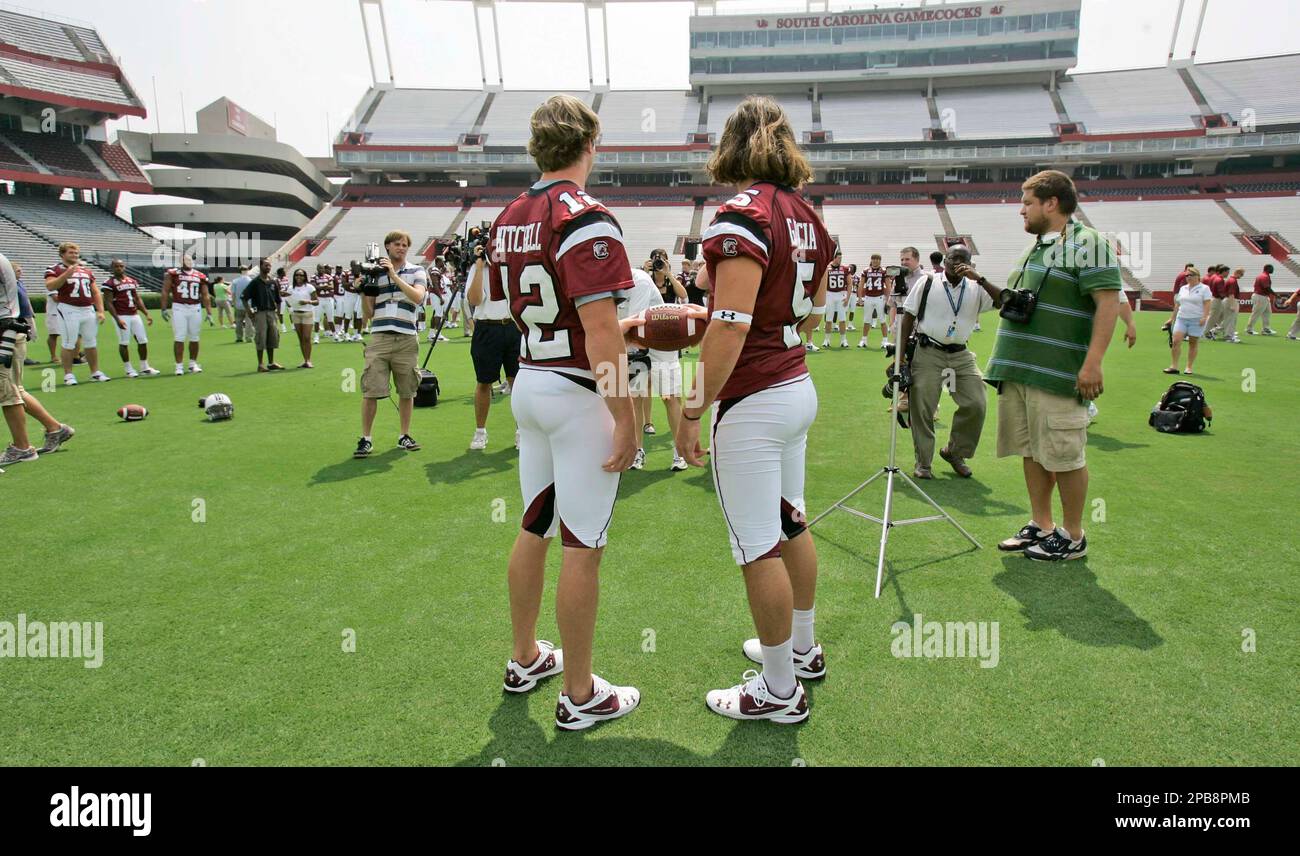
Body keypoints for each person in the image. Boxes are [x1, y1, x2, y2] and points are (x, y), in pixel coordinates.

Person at [677, 95, 832, 725]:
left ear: (732, 144)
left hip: (755, 394)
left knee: (757, 544)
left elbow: (732, 325)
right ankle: (802, 647)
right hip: (795, 382)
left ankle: (777, 690)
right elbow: (813, 307)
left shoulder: (743, 214)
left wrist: (691, 408)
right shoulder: (806, 215)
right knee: (791, 519)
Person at [490, 94, 640, 730]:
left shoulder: (508, 216)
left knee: (535, 523)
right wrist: (627, 415)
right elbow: (600, 333)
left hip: (531, 381)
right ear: (589, 146)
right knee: (583, 545)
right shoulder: (585, 215)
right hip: (578, 393)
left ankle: (524, 656)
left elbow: (528, 308)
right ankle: (579, 693)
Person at [984, 170, 1121, 562]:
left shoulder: (1088, 243)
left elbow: (1108, 302)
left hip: (1058, 372)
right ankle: (1041, 524)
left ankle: (1073, 535)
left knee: (1064, 455)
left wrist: (1093, 363)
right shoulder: (1038, 247)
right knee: (1032, 451)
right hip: (1021, 370)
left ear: (1051, 203)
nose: (1020, 210)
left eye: (1027, 202)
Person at [898, 245, 1003, 479]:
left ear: (969, 262)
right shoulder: (927, 282)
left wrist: (981, 279)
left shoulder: (976, 287)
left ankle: (955, 451)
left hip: (960, 354)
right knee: (922, 407)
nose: (956, 262)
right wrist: (901, 357)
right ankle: (923, 463)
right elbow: (908, 318)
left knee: (976, 402)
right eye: (952, 258)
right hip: (929, 351)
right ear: (944, 260)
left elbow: (1003, 301)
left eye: (962, 259)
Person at [354, 231, 427, 458]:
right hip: (380, 336)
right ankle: (366, 438)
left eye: (405, 244)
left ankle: (404, 435)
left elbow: (418, 297)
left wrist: (394, 276)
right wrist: (365, 290)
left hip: (406, 336)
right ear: (387, 247)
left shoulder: (417, 271)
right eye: (397, 244)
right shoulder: (374, 274)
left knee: (407, 390)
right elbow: (368, 314)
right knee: (371, 390)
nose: (401, 248)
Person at [1, 252, 75, 469]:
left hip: (4, 333)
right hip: (10, 331)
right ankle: (55, 429)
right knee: (15, 388)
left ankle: (22, 448)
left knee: (7, 392)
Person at [465, 243, 520, 452]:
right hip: (487, 327)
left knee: (517, 382)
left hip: (514, 327)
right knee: (483, 382)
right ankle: (480, 431)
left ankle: (521, 430)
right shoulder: (478, 268)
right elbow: (475, 299)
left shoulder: (515, 265)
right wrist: (479, 265)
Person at [45, 242, 110, 385]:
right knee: (69, 343)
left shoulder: (86, 270)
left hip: (87, 309)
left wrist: (100, 310)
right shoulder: (54, 269)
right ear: (62, 254)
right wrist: (66, 274)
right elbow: (50, 285)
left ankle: (95, 372)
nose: (74, 255)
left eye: (76, 253)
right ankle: (68, 375)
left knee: (91, 342)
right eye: (71, 253)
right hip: (69, 308)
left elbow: (95, 292)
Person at [102, 259, 159, 378]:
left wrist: (146, 313)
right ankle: (128, 368)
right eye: (116, 266)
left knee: (142, 340)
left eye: (121, 266)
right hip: (122, 315)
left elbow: (137, 298)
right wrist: (117, 319)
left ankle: (144, 366)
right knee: (124, 342)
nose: (119, 268)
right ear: (112, 268)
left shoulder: (131, 281)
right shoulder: (109, 283)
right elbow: (108, 303)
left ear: (125, 267)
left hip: (134, 314)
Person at [160, 254, 211, 374]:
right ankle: (179, 366)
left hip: (195, 308)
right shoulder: (173, 273)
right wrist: (163, 308)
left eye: (189, 259)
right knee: (179, 337)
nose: (187, 261)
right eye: (184, 260)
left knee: (194, 337)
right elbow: (165, 291)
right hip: (179, 307)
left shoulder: (200, 275)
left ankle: (193, 364)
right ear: (180, 262)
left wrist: (209, 312)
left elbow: (205, 295)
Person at [1163, 266, 1211, 376]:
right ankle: (1174, 366)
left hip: (1196, 319)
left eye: (1190, 275)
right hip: (1182, 318)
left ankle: (1189, 367)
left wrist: (1205, 317)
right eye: (1186, 276)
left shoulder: (1204, 288)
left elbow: (1207, 303)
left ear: (1197, 276)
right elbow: (1177, 304)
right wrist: (1172, 318)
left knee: (1193, 343)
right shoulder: (1183, 288)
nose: (1187, 277)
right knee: (1176, 341)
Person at [243, 258, 285, 372]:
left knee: (273, 337)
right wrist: (249, 311)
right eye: (266, 265)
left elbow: (278, 299)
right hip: (260, 312)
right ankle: (260, 364)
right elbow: (244, 297)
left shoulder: (273, 282)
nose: (268, 267)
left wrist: (278, 312)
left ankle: (271, 362)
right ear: (260, 266)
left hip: (271, 312)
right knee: (261, 337)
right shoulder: (255, 282)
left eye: (269, 265)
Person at [287, 269, 318, 368]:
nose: (298, 277)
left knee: (306, 337)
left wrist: (307, 302)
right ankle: (305, 359)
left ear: (305, 276)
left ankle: (308, 360)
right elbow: (288, 301)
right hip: (296, 314)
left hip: (307, 313)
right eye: (297, 275)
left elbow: (316, 301)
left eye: (301, 275)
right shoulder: (291, 288)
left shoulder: (309, 287)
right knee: (301, 338)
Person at [821, 250, 852, 349]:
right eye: (839, 258)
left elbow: (850, 283)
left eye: (841, 258)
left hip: (841, 294)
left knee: (842, 319)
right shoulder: (827, 268)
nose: (840, 260)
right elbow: (823, 283)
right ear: (834, 258)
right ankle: (827, 340)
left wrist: (847, 297)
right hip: (829, 294)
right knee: (828, 319)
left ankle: (843, 340)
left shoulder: (845, 268)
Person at [1245, 264, 1277, 335]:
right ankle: (1249, 329)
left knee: (1267, 312)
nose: (1273, 270)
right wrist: (1276, 295)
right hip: (1260, 296)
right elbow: (1267, 288)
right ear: (1268, 268)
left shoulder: (1263, 275)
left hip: (1263, 296)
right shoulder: (1264, 276)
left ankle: (1266, 329)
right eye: (1272, 268)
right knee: (1256, 313)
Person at [231, 265, 254, 343]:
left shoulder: (235, 281)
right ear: (247, 270)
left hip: (238, 304)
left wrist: (234, 303)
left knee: (238, 322)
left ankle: (239, 337)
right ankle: (248, 337)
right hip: (249, 304)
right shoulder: (251, 281)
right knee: (249, 322)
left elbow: (233, 294)